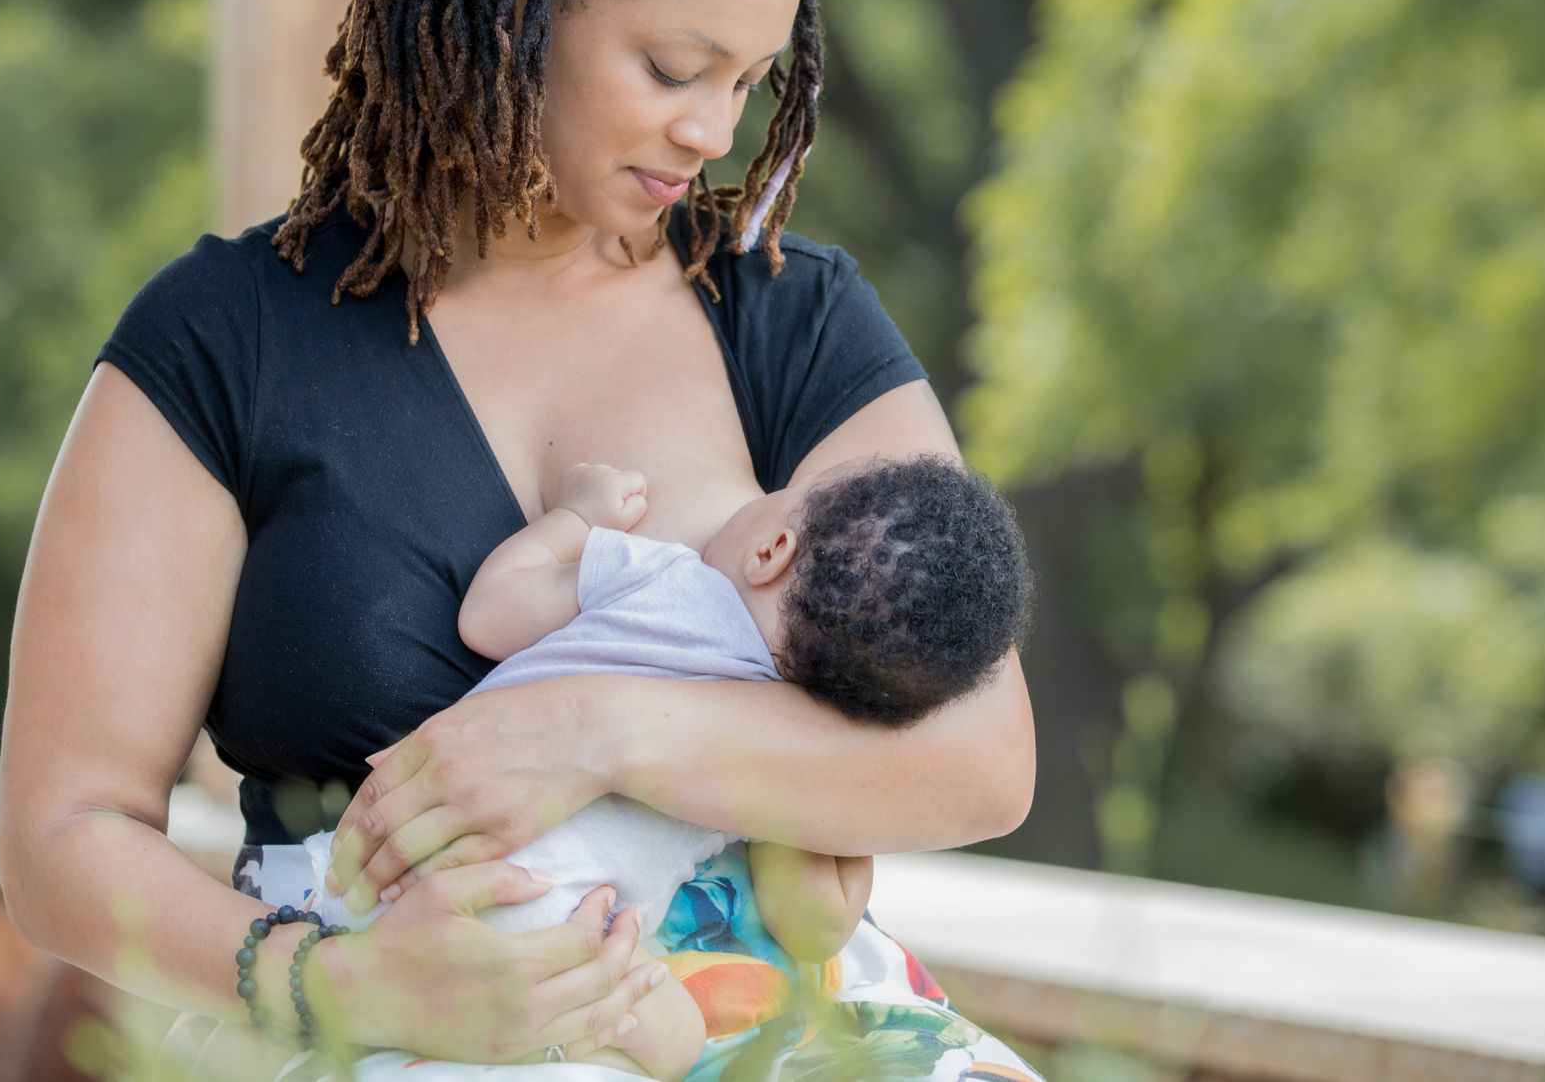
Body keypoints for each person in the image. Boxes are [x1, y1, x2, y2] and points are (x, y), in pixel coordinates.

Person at [0, 0, 1039, 1078]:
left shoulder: (786, 312)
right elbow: (64, 834)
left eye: (748, 81)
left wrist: (590, 728)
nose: (714, 132)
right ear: (514, 2)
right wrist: (339, 984)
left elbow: (979, 752)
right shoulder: (221, 342)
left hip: (778, 1031)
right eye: (672, 68)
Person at [254, 455, 1032, 1077]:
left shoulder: (660, 575)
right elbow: (813, 921)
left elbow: (491, 614)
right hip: (564, 949)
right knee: (678, 1033)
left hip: (385, 867)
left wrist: (575, 518)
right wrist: (841, 830)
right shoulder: (778, 751)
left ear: (769, 549)